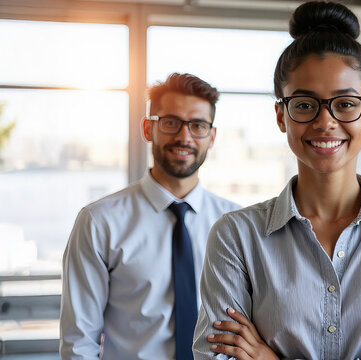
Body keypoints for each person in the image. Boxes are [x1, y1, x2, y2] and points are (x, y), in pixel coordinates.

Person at [192, 2, 361, 359]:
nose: (325, 122)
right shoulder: (236, 237)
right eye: (304, 104)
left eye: (346, 104)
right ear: (280, 115)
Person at [59, 73, 240, 360]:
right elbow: (79, 343)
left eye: (198, 125)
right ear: (147, 128)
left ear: (212, 136)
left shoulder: (237, 224)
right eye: (171, 122)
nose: (184, 136)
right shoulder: (99, 222)